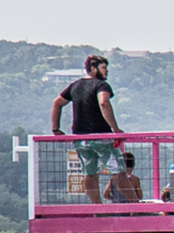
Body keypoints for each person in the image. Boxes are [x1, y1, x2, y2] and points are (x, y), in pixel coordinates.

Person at [49, 54, 123, 203]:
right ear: (94, 69)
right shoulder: (101, 85)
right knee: (118, 170)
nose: (106, 71)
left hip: (80, 138)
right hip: (101, 136)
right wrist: (116, 129)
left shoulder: (75, 85)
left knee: (90, 173)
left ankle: (97, 208)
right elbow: (103, 103)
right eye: (104, 68)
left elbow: (57, 103)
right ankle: (135, 207)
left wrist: (56, 128)